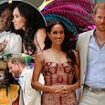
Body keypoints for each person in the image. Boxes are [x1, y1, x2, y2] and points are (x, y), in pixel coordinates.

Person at [31, 21, 80, 105]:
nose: (59, 36)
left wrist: (70, 87)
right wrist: (51, 89)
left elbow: (80, 81)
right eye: (55, 32)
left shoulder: (73, 54)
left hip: (70, 100)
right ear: (49, 34)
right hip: (49, 101)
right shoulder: (41, 55)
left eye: (61, 32)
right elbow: (34, 83)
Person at [76, 2, 105, 105]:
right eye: (99, 17)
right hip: (86, 95)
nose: (102, 21)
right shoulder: (82, 39)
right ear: (94, 17)